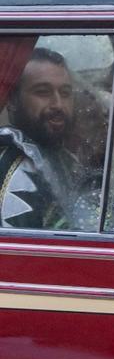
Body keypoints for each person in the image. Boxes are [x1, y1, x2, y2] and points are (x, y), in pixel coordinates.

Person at [0, 48, 94, 229]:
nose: (58, 104)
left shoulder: (66, 160)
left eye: (65, 93)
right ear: (12, 100)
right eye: (43, 92)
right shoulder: (9, 169)